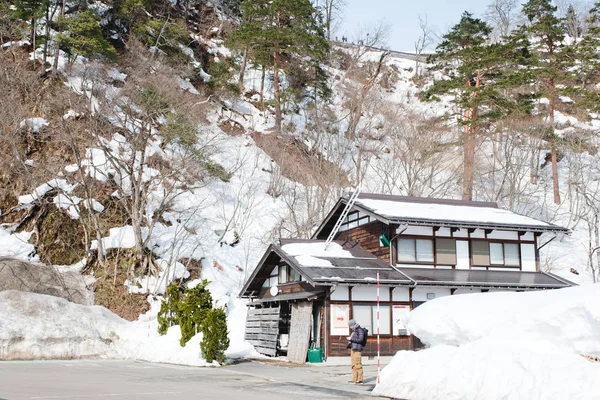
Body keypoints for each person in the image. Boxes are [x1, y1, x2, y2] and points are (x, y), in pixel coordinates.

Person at [346, 319, 364, 384]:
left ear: (353, 325)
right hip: (353, 348)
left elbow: (360, 339)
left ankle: (360, 379)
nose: (350, 328)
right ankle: (354, 379)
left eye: (350, 326)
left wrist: (351, 339)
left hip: (357, 349)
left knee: (358, 364)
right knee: (353, 364)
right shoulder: (354, 331)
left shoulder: (359, 330)